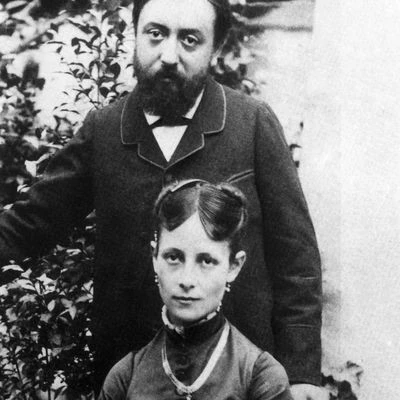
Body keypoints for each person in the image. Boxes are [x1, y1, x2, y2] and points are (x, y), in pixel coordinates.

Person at [0, 0, 323, 398]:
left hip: (238, 380)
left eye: (189, 39)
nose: (169, 55)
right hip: (130, 379)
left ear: (216, 48)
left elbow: (296, 258)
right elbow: (29, 223)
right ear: (135, 35)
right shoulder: (104, 130)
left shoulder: (252, 124)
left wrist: (301, 372)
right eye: (156, 34)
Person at [98, 179, 293, 400]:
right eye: (173, 257)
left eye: (206, 261)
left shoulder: (259, 376)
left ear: (233, 266)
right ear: (155, 258)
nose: (187, 279)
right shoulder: (126, 377)